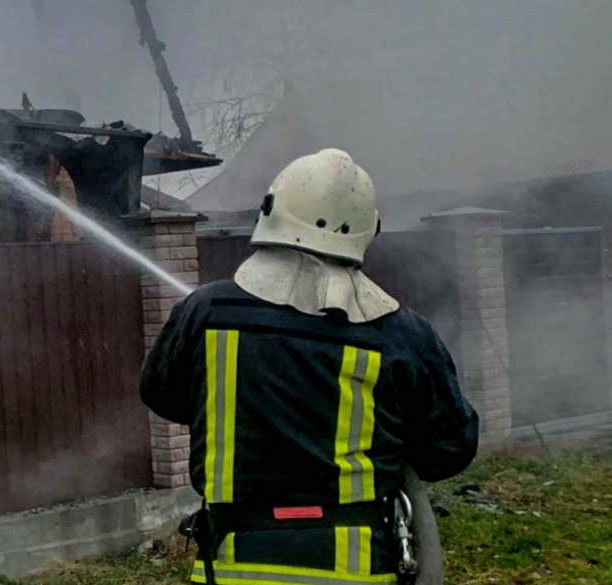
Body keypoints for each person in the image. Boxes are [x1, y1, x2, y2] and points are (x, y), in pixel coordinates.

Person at [140, 149, 478, 585]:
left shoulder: (206, 311)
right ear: (366, 230)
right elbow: (449, 450)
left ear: (272, 210)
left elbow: (161, 394)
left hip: (232, 567)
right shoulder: (400, 333)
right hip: (358, 570)